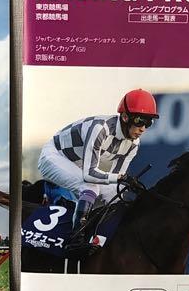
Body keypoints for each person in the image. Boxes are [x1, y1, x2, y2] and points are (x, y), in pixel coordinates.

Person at [37, 89, 158, 253]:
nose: (143, 128)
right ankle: (76, 240)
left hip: (76, 164)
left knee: (114, 195)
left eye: (148, 123)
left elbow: (116, 185)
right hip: (53, 155)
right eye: (139, 121)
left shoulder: (133, 144)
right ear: (125, 117)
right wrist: (122, 178)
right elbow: (90, 174)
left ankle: (102, 237)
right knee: (90, 187)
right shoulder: (100, 129)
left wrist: (126, 185)